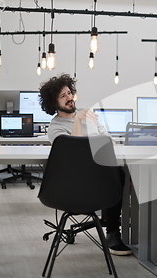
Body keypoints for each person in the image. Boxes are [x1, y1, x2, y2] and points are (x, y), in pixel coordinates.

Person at [39, 73, 132, 256]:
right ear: (53, 103)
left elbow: (108, 141)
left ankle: (137, 231)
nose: (69, 98)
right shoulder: (55, 127)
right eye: (62, 96)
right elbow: (73, 152)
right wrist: (78, 121)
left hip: (100, 174)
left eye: (69, 93)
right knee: (118, 174)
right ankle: (113, 231)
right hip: (75, 182)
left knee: (131, 172)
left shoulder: (89, 115)